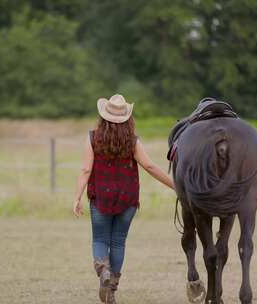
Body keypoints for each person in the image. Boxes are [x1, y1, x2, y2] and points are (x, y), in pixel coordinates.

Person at [73, 94, 174, 303]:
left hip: (100, 198)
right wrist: (176, 185)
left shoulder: (93, 138)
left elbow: (85, 169)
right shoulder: (133, 141)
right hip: (127, 199)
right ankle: (111, 291)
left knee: (100, 239)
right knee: (118, 242)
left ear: (103, 117)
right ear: (127, 118)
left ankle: (103, 272)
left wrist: (77, 196)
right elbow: (150, 166)